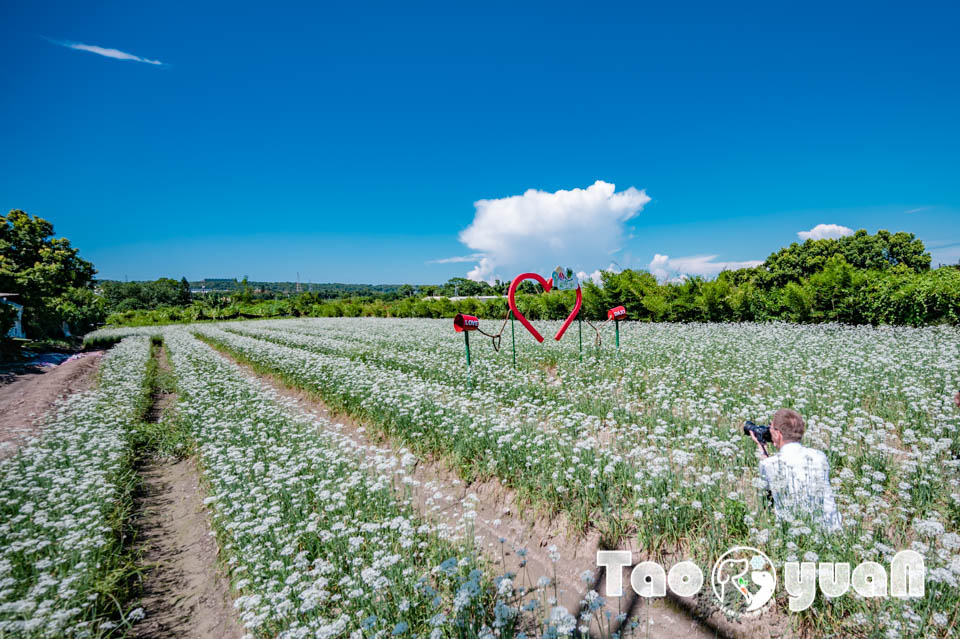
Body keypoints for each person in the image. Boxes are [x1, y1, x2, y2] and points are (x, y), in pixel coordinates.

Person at [749, 409, 842, 533]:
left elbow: (766, 495)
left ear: (778, 434)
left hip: (795, 532)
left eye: (770, 429)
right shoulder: (820, 456)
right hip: (831, 531)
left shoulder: (769, 464)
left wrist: (762, 451)